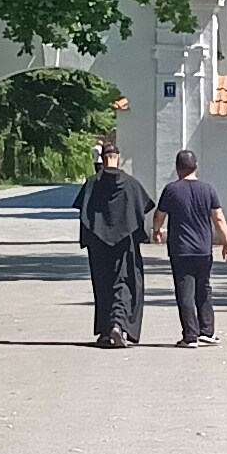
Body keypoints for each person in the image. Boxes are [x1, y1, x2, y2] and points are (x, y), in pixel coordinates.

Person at [152, 146, 227, 346]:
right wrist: (226, 243)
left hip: (181, 249)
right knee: (204, 288)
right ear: (195, 167)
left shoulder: (171, 190)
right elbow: (219, 218)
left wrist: (156, 230)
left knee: (185, 291)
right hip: (203, 249)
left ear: (178, 168)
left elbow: (159, 215)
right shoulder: (208, 190)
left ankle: (190, 335)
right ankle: (207, 331)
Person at [74, 139, 151, 346]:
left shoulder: (92, 183)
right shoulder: (131, 184)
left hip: (99, 244)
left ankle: (107, 329)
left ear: (103, 158)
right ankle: (118, 325)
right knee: (124, 283)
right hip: (124, 243)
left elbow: (84, 211)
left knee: (103, 285)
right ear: (119, 159)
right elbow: (142, 209)